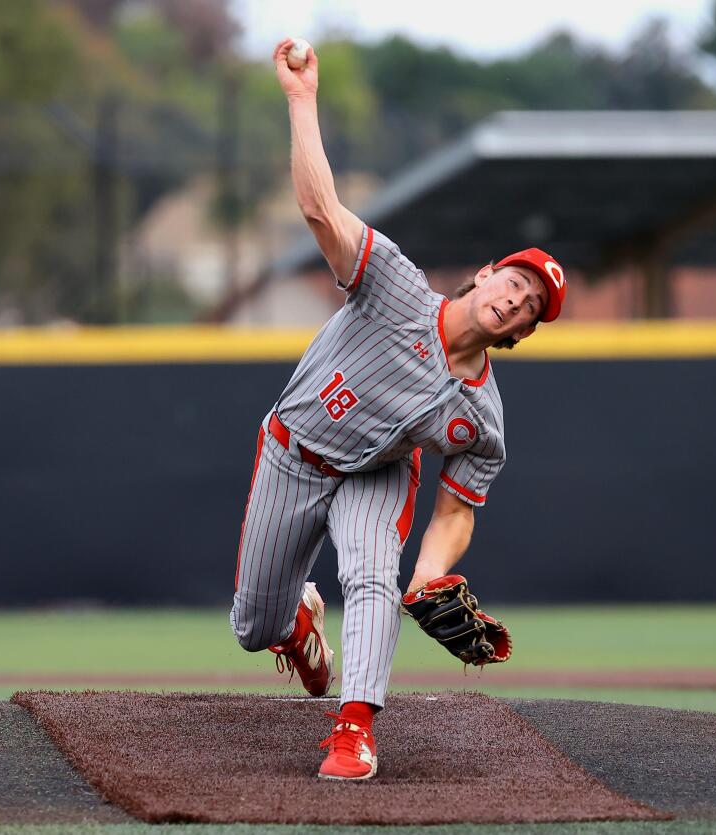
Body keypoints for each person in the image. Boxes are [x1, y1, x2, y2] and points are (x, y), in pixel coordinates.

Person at [229, 37, 567, 781]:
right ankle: (295, 624)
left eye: (531, 306)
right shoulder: (396, 285)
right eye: (516, 281)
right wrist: (301, 100)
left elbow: (458, 507)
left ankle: (355, 729)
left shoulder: (482, 419)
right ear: (485, 274)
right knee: (252, 625)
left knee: (377, 575)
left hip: (377, 473)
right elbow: (320, 207)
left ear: (520, 333)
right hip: (294, 448)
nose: (517, 298)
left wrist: (433, 575)